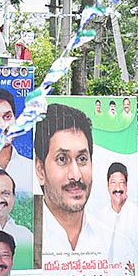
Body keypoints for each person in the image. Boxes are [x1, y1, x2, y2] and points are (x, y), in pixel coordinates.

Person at [35, 103, 107, 254]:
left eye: (82, 159)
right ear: (40, 170)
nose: (75, 175)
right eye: (62, 159)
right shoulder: (25, 242)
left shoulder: (112, 242)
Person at [103, 162, 138, 266]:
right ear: (108, 186)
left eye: (121, 182)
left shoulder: (134, 213)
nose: (118, 188)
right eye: (113, 182)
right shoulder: (102, 214)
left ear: (126, 185)